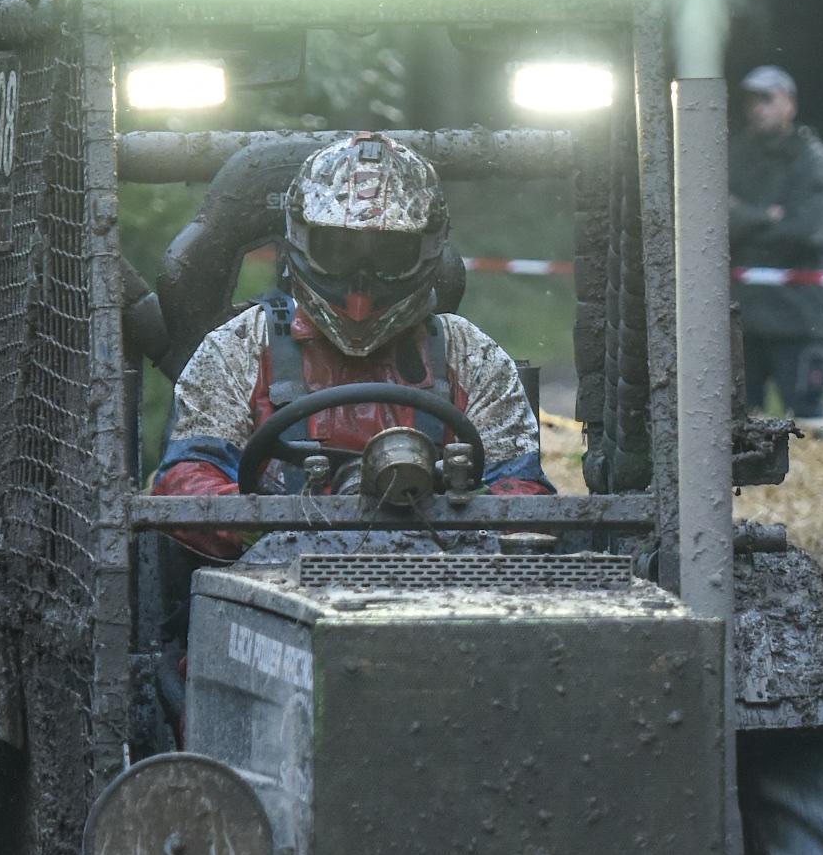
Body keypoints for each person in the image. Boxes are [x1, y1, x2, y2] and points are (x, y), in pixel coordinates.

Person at [154, 134, 551, 556]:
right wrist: (279, 526)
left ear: (428, 250)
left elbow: (523, 494)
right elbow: (185, 482)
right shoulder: (239, 346)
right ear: (300, 241)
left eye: (390, 255)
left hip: (445, 574)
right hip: (268, 573)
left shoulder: (469, 354)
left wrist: (456, 521)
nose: (360, 291)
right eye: (338, 251)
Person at [729, 64, 823, 419]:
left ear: (789, 104)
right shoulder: (734, 156)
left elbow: (809, 231)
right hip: (742, 323)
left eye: (767, 99)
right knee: (736, 427)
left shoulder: (812, 160)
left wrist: (744, 219)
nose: (757, 108)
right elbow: (713, 220)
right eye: (751, 100)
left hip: (797, 320)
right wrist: (767, 216)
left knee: (809, 424)